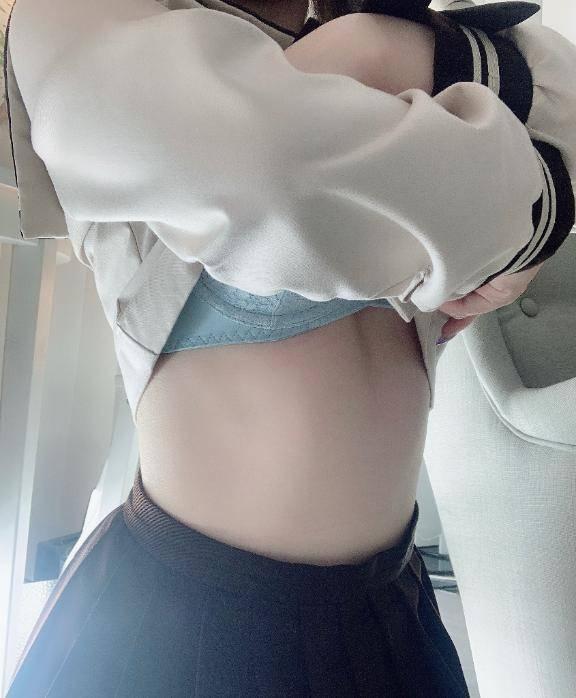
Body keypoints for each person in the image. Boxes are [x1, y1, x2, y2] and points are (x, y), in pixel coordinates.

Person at [4, 0, 574, 695]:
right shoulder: (85, 16)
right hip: (183, 635)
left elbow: (564, 110)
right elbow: (266, 171)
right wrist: (384, 53)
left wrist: (384, 48)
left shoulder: (405, 24)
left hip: (394, 617)